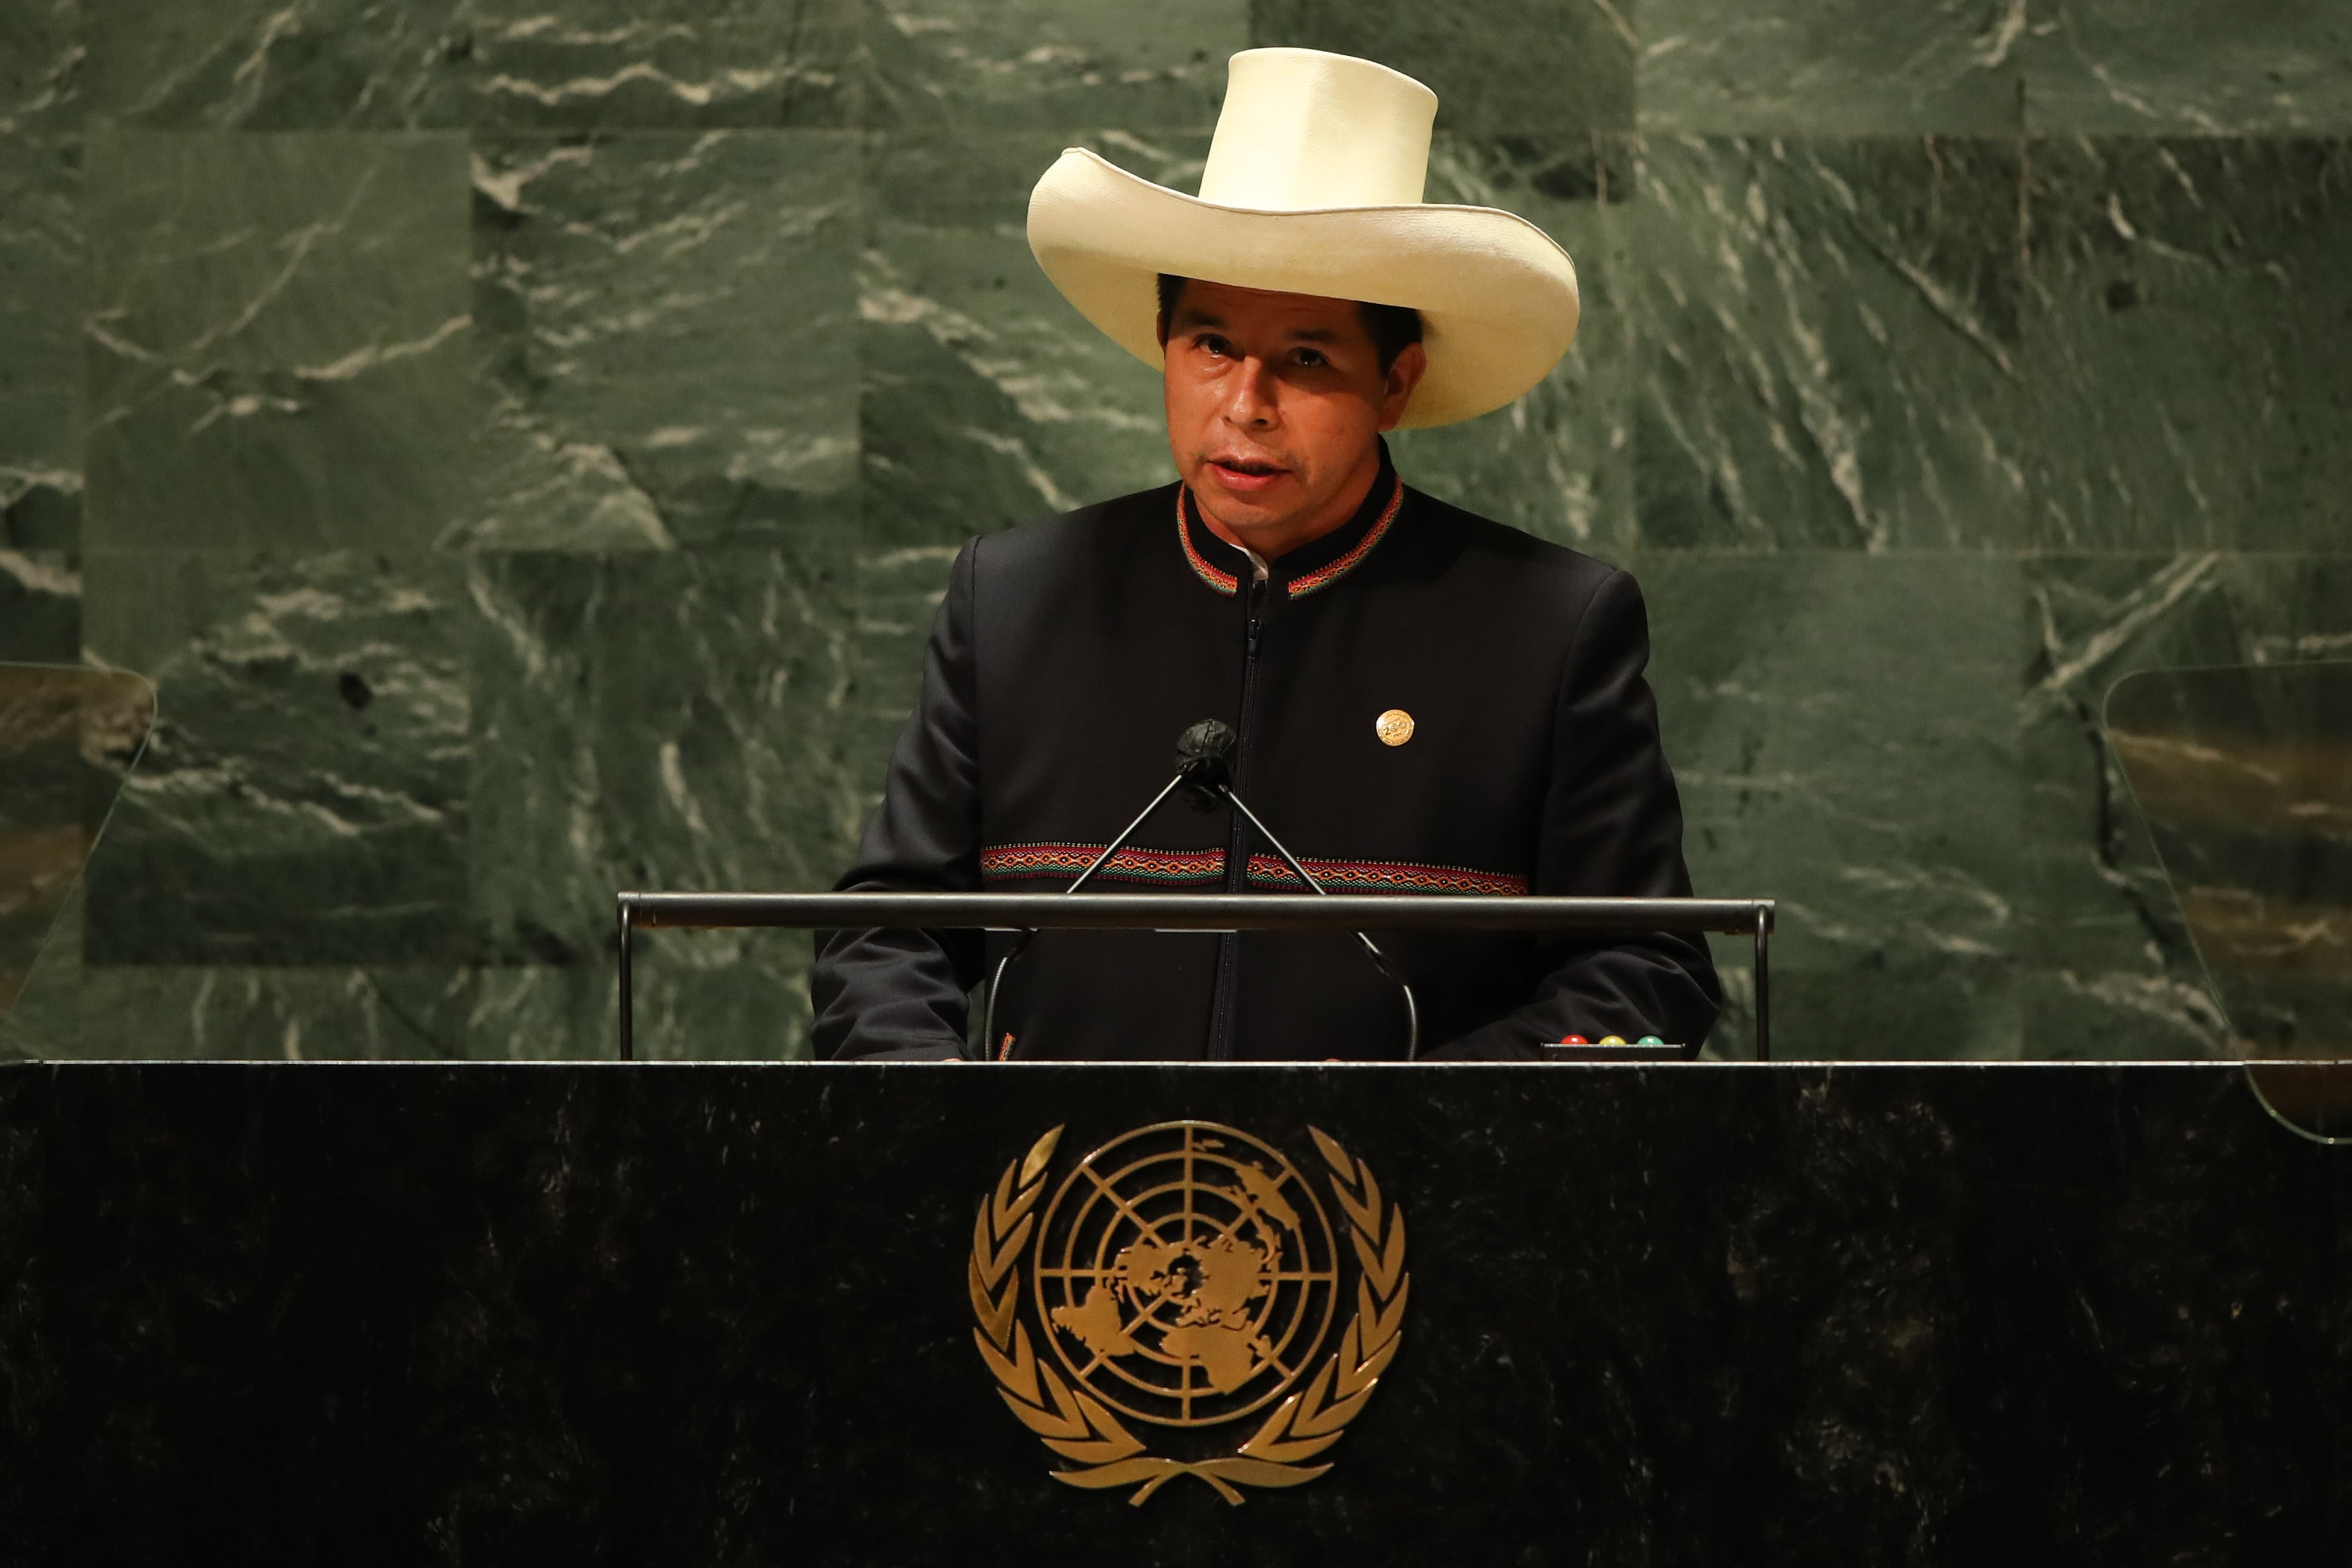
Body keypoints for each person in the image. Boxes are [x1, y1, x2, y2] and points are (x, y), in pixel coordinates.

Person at [814, 47, 1719, 1061]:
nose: (1244, 404)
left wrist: (1408, 1134)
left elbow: (1644, 973)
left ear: (1397, 382)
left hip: (1409, 1205)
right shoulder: (1016, 600)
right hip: (1065, 1210)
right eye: (1210, 347)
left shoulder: (1550, 627)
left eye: (1305, 358)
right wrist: (942, 1128)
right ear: (1163, 343)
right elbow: (886, 936)